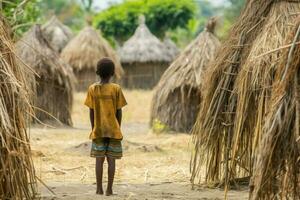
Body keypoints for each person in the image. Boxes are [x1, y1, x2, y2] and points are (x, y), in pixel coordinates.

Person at [84, 57, 127, 196]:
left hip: (98, 129)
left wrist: (93, 127)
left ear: (97, 72)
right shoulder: (116, 89)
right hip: (113, 130)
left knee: (99, 160)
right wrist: (117, 127)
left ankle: (98, 189)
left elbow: (91, 111)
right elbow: (119, 110)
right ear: (113, 73)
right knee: (111, 160)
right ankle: (109, 190)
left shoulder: (92, 89)